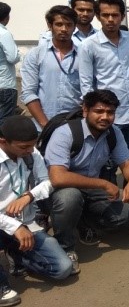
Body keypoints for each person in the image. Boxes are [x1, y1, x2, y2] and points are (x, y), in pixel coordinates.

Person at [46, 90, 129, 274]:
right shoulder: (65, 133)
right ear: (85, 110)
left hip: (91, 190)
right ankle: (66, 246)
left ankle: (83, 221)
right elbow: (58, 177)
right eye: (99, 111)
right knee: (70, 197)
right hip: (61, 190)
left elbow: (127, 163)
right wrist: (103, 184)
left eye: (110, 112)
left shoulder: (113, 133)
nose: (105, 117)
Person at [0, 116, 73, 306]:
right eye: (24, 147)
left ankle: (16, 254)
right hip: (5, 224)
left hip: (25, 222)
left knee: (63, 268)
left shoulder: (31, 154)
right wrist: (15, 227)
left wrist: (29, 196)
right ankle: (2, 287)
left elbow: (48, 182)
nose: (30, 150)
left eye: (32, 145)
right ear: (3, 142)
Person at [78, 0, 129, 150]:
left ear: (122, 16)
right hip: (107, 115)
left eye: (115, 15)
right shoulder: (89, 45)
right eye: (105, 15)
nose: (110, 19)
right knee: (107, 157)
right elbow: (86, 84)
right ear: (98, 17)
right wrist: (92, 113)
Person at [21, 6, 82, 130]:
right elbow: (29, 93)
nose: (64, 29)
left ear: (75, 27)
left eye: (69, 25)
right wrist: (46, 125)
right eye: (59, 24)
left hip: (76, 125)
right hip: (44, 126)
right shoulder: (36, 54)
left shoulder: (84, 55)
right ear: (50, 25)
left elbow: (90, 91)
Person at [0, 2, 20, 127]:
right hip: (5, 85)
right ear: (7, 17)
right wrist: (18, 53)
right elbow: (13, 57)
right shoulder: (3, 33)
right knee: (5, 123)